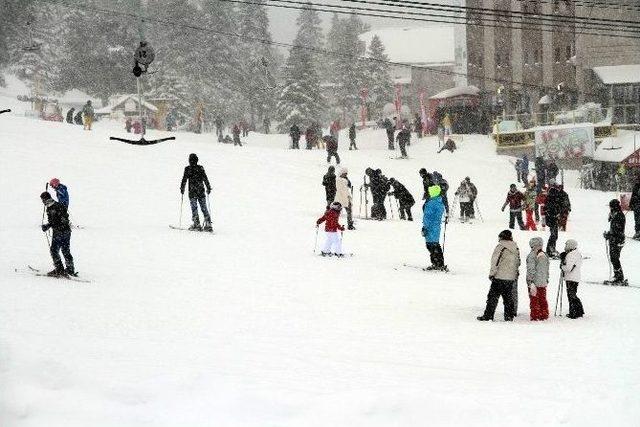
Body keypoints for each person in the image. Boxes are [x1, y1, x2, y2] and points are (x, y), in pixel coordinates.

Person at [478, 230, 520, 321]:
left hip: (499, 277)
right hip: (510, 278)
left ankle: (488, 315)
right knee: (508, 298)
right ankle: (509, 316)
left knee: (492, 297)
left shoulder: (500, 247)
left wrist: (492, 274)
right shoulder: (515, 248)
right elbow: (518, 262)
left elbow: (495, 262)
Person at [40, 191, 74, 276]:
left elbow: (65, 219)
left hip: (63, 232)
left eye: (43, 200)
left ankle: (67, 270)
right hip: (58, 232)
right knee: (58, 250)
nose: (42, 202)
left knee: (59, 250)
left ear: (46, 199)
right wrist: (47, 226)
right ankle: (62, 269)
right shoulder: (49, 208)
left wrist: (59, 225)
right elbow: (52, 221)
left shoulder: (58, 206)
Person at [180, 153, 212, 232]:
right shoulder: (200, 168)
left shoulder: (187, 169)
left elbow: (184, 179)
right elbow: (205, 178)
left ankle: (196, 224)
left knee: (194, 208)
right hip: (201, 191)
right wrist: (208, 187)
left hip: (192, 192)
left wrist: (182, 188)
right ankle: (208, 224)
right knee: (204, 208)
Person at [422, 184, 446, 270]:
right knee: (434, 244)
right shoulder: (439, 202)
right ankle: (439, 263)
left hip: (430, 227)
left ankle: (437, 263)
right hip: (435, 227)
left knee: (431, 245)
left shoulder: (432, 203)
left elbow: (428, 216)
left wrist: (425, 227)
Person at [526, 237, 549, 321]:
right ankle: (544, 314)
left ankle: (535, 315)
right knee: (542, 298)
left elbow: (531, 269)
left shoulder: (532, 255)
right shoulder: (544, 254)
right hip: (543, 281)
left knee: (534, 299)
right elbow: (546, 269)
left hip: (534, 282)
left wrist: (530, 281)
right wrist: (546, 279)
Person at [560, 239, 584, 319]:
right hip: (575, 277)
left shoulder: (571, 255)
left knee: (571, 295)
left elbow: (568, 268)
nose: (565, 247)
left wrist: (562, 266)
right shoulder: (577, 254)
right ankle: (578, 311)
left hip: (571, 278)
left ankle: (574, 312)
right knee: (573, 294)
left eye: (566, 245)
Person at [604, 199, 626, 285]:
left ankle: (619, 277)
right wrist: (608, 234)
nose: (610, 208)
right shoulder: (615, 214)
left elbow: (618, 230)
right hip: (614, 239)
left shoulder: (619, 215)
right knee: (614, 258)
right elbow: (614, 229)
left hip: (617, 240)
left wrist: (609, 235)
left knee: (615, 258)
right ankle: (617, 275)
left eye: (610, 206)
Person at [545, 179, 563, 257]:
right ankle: (550, 249)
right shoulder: (552, 192)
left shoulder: (553, 192)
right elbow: (551, 206)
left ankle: (552, 248)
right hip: (551, 217)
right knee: (553, 234)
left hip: (552, 216)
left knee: (554, 234)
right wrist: (554, 214)